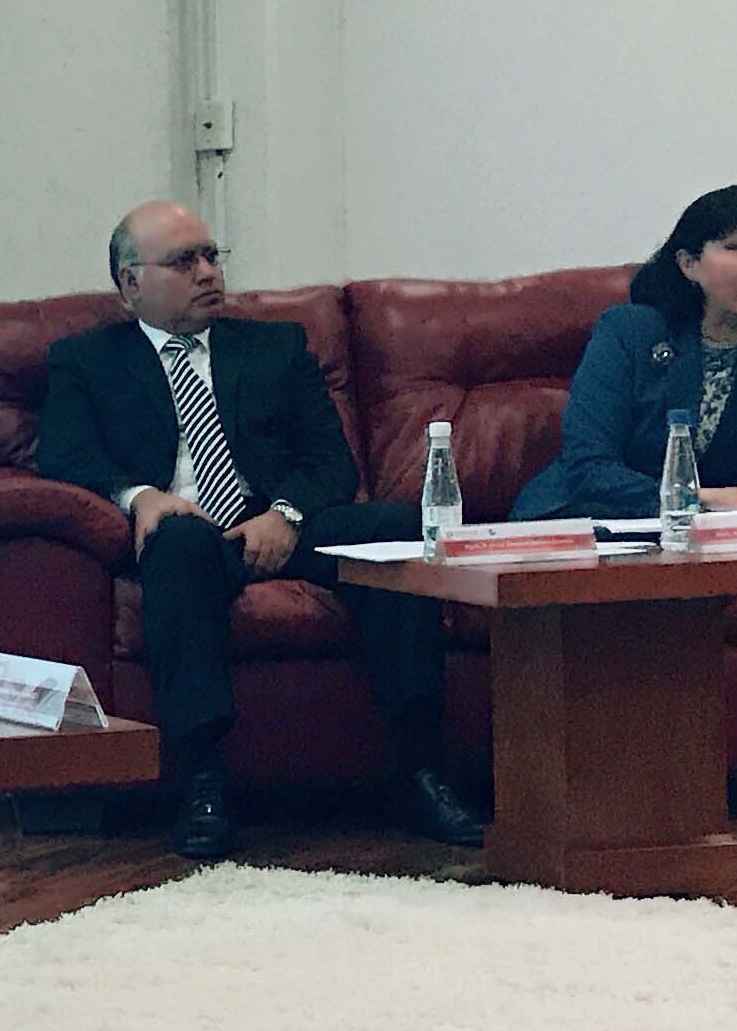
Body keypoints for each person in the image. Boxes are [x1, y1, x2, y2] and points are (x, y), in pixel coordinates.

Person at [35, 203, 486, 863]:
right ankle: (203, 783)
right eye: (184, 262)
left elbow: (331, 463)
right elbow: (64, 457)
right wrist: (141, 498)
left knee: (391, 529)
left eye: (211, 256)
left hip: (282, 521)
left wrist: (287, 515)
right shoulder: (86, 361)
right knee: (177, 542)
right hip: (188, 529)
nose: (207, 272)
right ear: (131, 284)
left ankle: (420, 771)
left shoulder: (275, 347)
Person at [514, 186, 737, 522]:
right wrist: (694, 501)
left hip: (712, 535)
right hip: (594, 520)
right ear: (689, 264)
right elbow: (588, 466)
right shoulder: (630, 330)